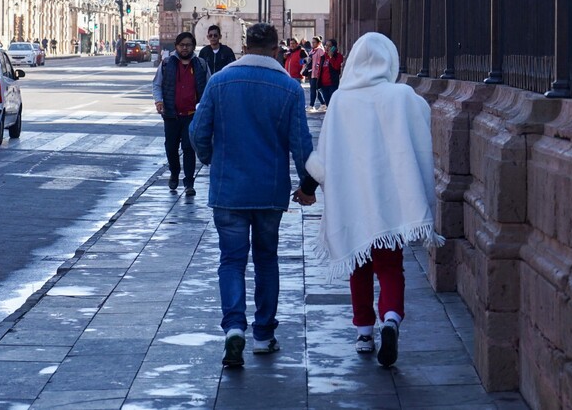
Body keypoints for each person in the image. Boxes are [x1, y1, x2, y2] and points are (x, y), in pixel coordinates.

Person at [304, 32, 444, 367]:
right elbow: (422, 137)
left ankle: (365, 332)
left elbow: (325, 154)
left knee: (359, 266)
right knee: (391, 266)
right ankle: (391, 319)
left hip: (354, 198)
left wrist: (307, 187)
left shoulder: (340, 101)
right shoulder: (403, 97)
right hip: (390, 200)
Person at [189, 22, 318, 367]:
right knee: (266, 259)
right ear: (276, 50)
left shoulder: (219, 82)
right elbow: (301, 145)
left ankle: (234, 329)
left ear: (245, 48)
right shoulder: (289, 89)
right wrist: (308, 186)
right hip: (269, 190)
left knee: (231, 260)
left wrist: (210, 159)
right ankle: (263, 334)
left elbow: (198, 131)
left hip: (228, 189)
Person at [152, 32, 211, 196]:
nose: (185, 48)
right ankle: (174, 172)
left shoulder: (201, 65)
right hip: (171, 114)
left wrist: (206, 108)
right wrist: (159, 101)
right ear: (176, 46)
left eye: (188, 45)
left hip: (192, 115)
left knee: (189, 148)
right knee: (171, 148)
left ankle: (189, 182)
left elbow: (209, 87)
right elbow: (157, 85)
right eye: (182, 45)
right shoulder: (166, 64)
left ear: (193, 46)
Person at [316, 38, 344, 107]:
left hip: (333, 84)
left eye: (330, 46)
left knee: (334, 104)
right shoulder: (323, 57)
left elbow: (336, 67)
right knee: (328, 104)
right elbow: (320, 70)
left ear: (334, 47)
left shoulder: (338, 56)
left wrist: (331, 57)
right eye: (326, 45)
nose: (327, 48)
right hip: (324, 85)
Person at [306, 36, 326, 113]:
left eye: (314, 42)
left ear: (318, 43)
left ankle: (311, 105)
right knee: (315, 89)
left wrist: (318, 66)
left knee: (313, 89)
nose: (313, 44)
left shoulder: (320, 50)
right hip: (311, 72)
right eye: (312, 42)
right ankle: (323, 103)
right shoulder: (311, 51)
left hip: (316, 73)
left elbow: (322, 60)